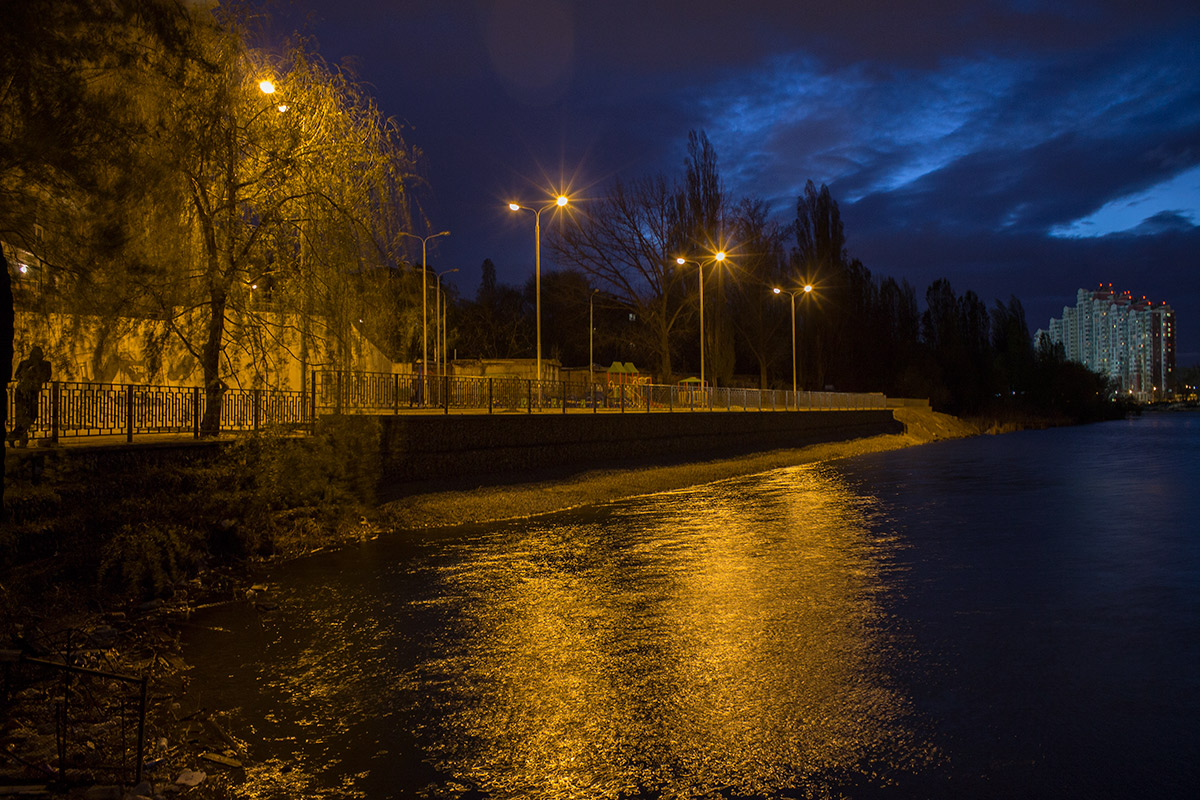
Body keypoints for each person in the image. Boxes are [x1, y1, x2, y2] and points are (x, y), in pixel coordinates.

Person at [7, 345, 51, 447]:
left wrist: (32, 373)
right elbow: (17, 375)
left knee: (27, 416)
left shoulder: (34, 364)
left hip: (27, 392)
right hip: (27, 392)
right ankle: (19, 439)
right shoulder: (32, 364)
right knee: (27, 416)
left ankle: (15, 437)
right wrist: (31, 374)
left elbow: (17, 376)